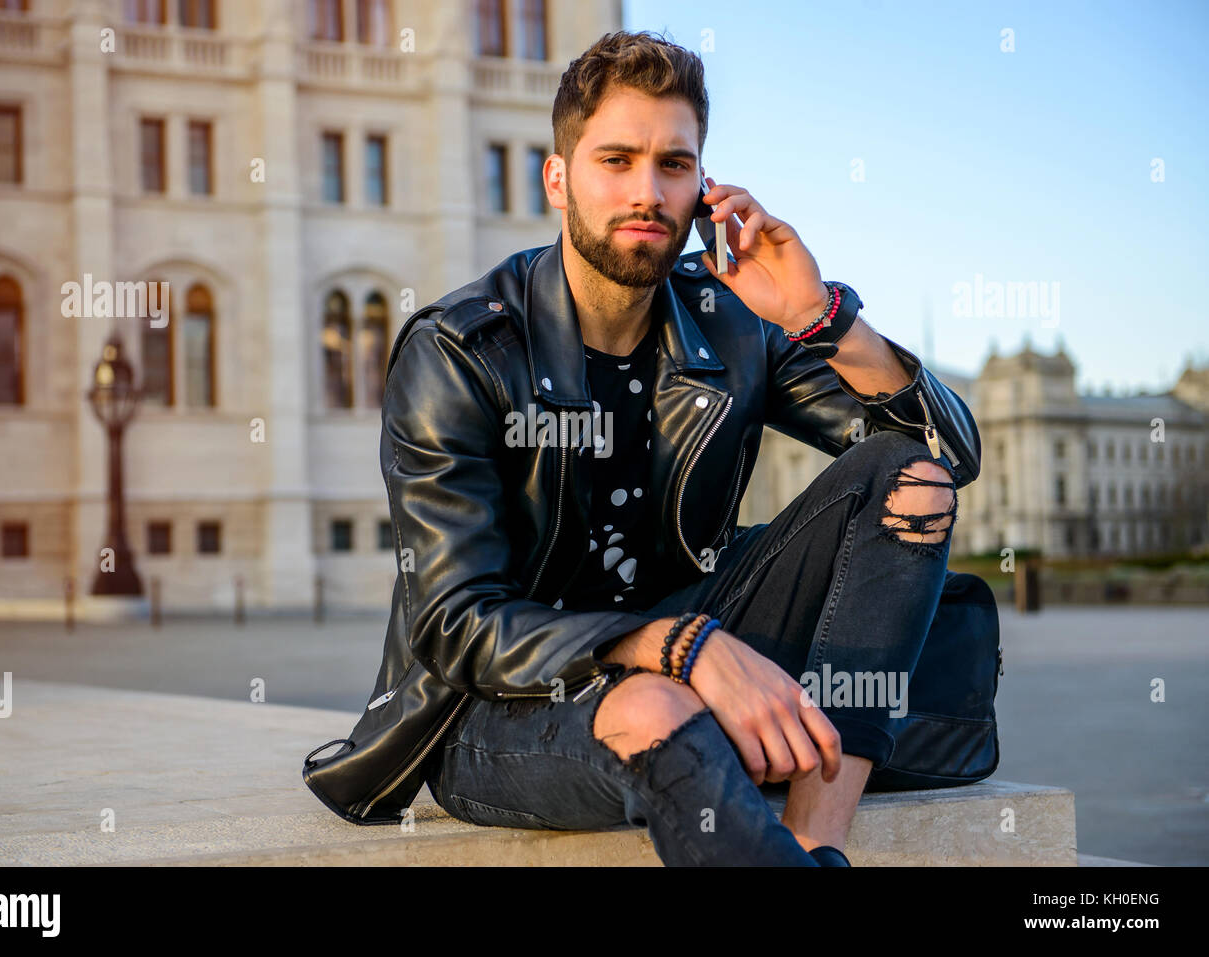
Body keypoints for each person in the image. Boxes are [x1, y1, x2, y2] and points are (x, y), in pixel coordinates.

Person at [302, 30, 981, 867]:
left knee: (903, 480)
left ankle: (817, 841)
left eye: (672, 165)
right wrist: (678, 646)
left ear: (703, 187)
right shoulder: (461, 351)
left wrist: (820, 315)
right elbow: (455, 622)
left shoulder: (733, 322)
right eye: (615, 160)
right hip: (499, 705)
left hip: (702, 641)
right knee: (656, 706)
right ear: (558, 179)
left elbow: (945, 455)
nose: (646, 191)